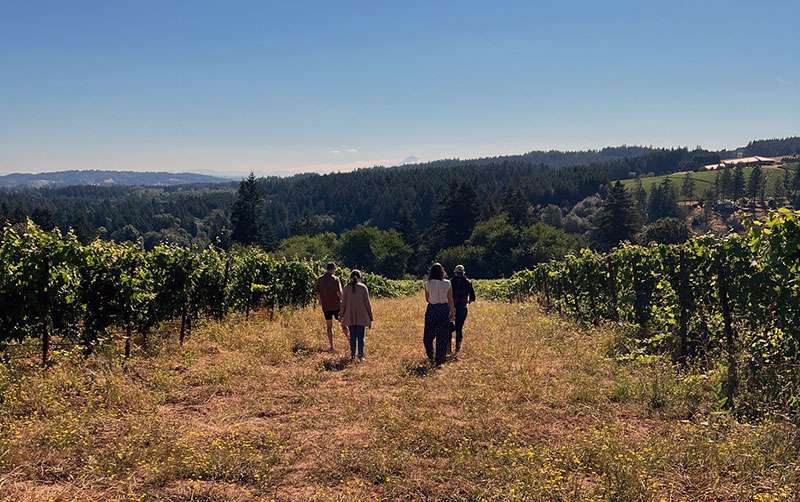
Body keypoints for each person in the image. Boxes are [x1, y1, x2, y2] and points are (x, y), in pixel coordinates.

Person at [423, 262, 455, 366]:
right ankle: (439, 360)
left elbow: (427, 299)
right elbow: (450, 299)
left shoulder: (428, 284)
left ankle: (430, 355)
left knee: (428, 334)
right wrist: (452, 312)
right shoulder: (447, 283)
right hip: (444, 309)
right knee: (442, 335)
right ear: (442, 271)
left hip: (432, 308)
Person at [340, 269, 373, 362]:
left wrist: (341, 315)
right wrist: (371, 317)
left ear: (350, 277)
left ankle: (352, 355)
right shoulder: (363, 288)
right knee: (361, 338)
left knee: (352, 337)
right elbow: (367, 304)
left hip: (350, 317)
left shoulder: (346, 288)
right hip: (362, 317)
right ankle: (361, 356)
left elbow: (343, 304)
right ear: (359, 277)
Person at [314, 262, 346, 351]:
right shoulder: (335, 279)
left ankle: (331, 346)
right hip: (336, 306)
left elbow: (317, 292)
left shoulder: (320, 279)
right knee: (343, 324)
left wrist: (320, 301)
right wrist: (343, 301)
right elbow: (339, 293)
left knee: (329, 326)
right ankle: (350, 340)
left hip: (326, 307)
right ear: (333, 269)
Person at [450, 264, 476, 353]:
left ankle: (448, 349)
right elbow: (473, 297)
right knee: (459, 329)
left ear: (455, 272)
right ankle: (458, 348)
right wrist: (467, 302)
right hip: (462, 308)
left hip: (452, 308)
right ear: (463, 272)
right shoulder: (468, 282)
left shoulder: (451, 282)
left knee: (449, 327)